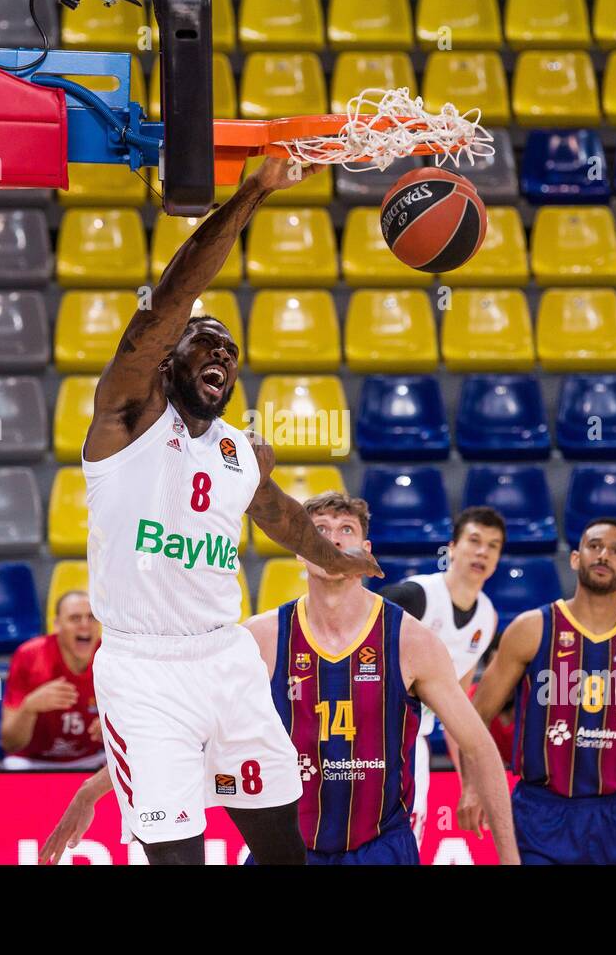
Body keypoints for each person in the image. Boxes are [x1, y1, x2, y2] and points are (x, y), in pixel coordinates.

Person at [66, 157, 381, 865]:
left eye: (231, 352)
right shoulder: (126, 417)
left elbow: (282, 517)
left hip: (226, 660)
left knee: (283, 853)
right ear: (166, 359)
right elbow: (174, 296)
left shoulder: (246, 451)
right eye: (203, 344)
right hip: (145, 672)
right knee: (179, 858)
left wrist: (340, 558)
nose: (221, 356)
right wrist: (254, 192)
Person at [42, 493, 517, 865]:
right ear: (299, 546)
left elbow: (480, 747)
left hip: (380, 845)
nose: (332, 539)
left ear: (365, 551)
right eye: (319, 530)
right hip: (288, 850)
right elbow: (184, 734)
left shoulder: (409, 640)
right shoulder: (260, 638)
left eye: (346, 530)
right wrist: (91, 791)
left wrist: (509, 858)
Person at [469, 518, 616, 864]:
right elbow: (474, 717)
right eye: (595, 546)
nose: (604, 555)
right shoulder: (531, 628)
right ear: (576, 558)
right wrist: (471, 786)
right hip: (541, 812)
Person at [379, 505, 503, 846]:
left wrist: (470, 786)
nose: (482, 551)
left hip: (415, 743)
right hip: (371, 738)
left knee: (409, 844)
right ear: (452, 548)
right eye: (474, 540)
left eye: (493, 546)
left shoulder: (487, 618)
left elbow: (458, 710)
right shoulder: (414, 596)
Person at [0, 590, 105, 770]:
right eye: (75, 618)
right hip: (33, 761)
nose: (85, 625)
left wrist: (116, 728)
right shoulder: (29, 656)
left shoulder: (110, 657)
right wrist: (29, 707)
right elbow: (10, 743)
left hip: (93, 759)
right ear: (57, 624)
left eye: (92, 617)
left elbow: (141, 731)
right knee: (14, 766)